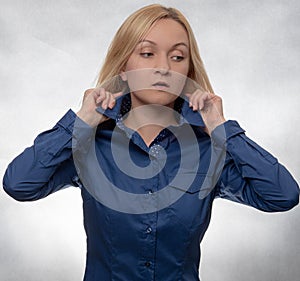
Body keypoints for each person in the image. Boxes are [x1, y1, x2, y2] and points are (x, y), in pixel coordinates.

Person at [2, 4, 299, 281]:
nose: (164, 67)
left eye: (178, 57)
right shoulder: (88, 146)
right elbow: (19, 184)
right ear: (123, 69)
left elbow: (282, 196)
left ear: (187, 73)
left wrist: (221, 129)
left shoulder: (209, 152)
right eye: (147, 54)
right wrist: (80, 121)